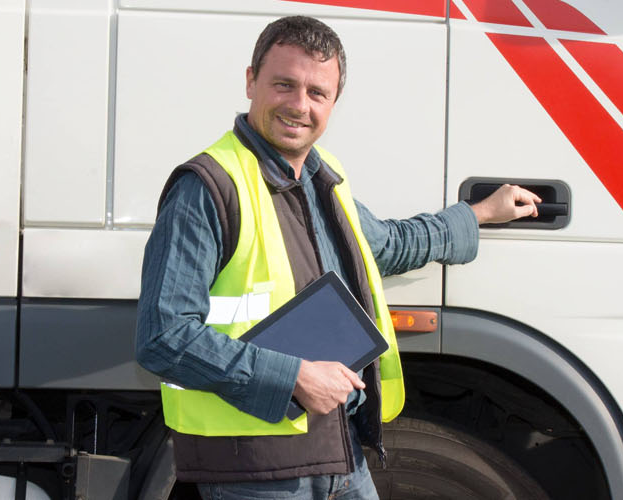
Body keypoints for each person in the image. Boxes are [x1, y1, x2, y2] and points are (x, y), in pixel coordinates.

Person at [135, 15, 541, 500]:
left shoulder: (325, 178)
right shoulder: (209, 187)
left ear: (333, 102)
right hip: (256, 472)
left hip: (340, 455)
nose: (299, 105)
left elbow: (386, 245)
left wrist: (477, 215)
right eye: (283, 85)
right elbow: (163, 337)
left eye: (316, 93)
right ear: (250, 81)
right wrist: (294, 376)